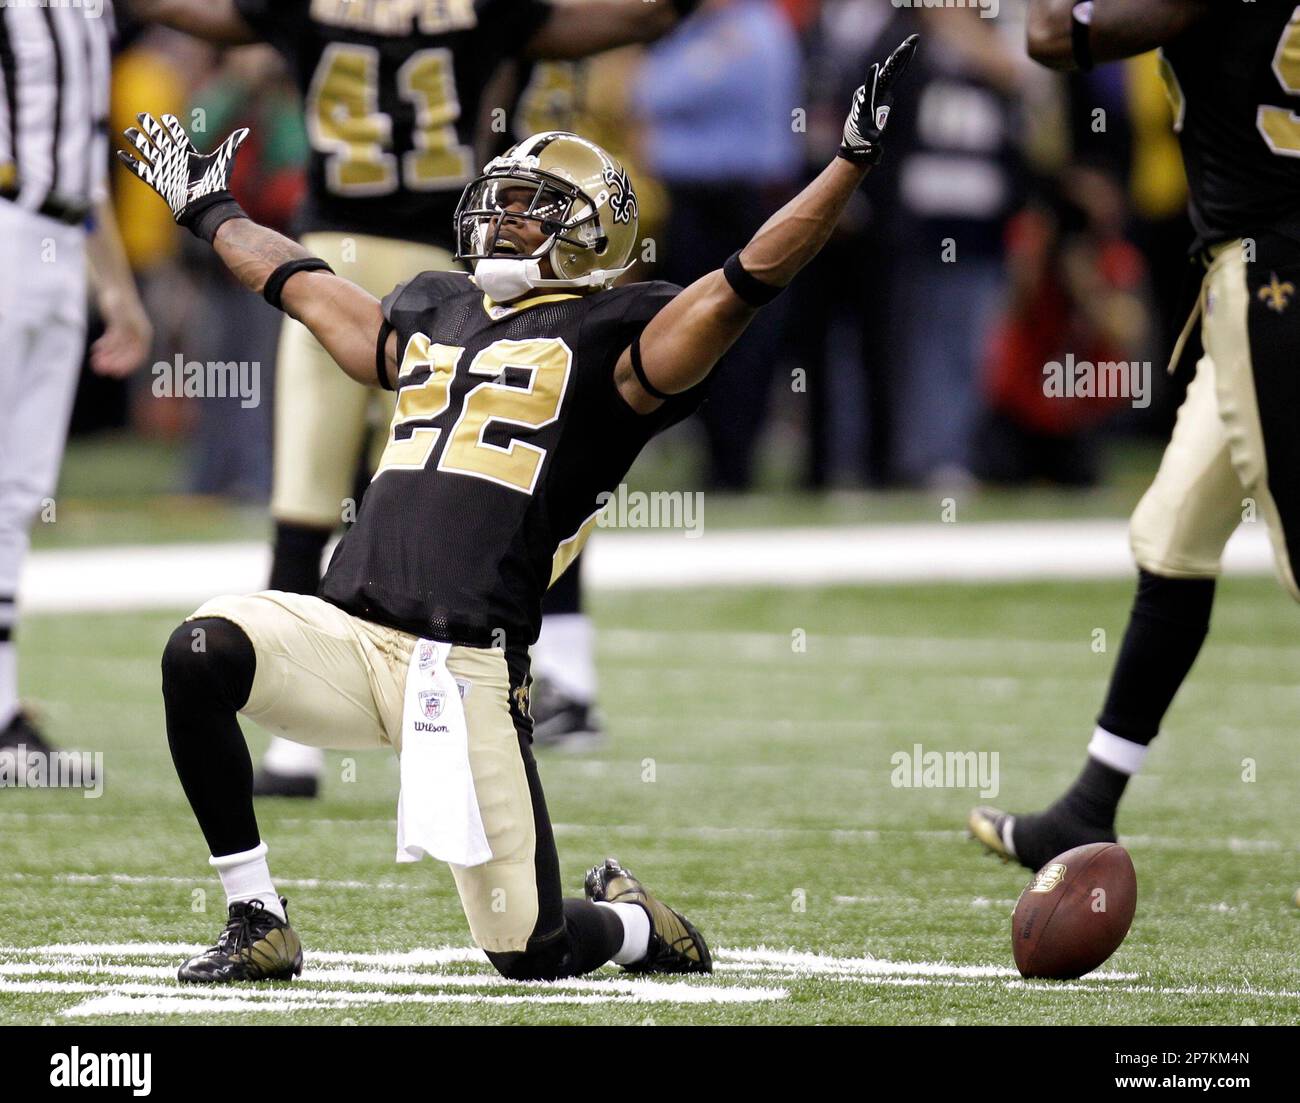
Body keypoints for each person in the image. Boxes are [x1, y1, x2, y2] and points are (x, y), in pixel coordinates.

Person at [120, 34, 920, 982]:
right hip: (347, 637)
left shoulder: (621, 337)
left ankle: (633, 927)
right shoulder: (433, 307)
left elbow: (748, 278)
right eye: (494, 203)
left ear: (592, 233)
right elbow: (308, 287)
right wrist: (210, 211)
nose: (498, 222)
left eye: (528, 210)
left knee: (528, 951)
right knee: (199, 652)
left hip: (468, 668)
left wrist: (847, 164)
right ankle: (257, 916)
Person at [131, 0, 705, 796]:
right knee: (460, 475)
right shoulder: (477, 14)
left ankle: (293, 746)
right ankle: (476, 705)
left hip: (328, 251)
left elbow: (199, 16)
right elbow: (641, 18)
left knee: (304, 502)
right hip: (444, 270)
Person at [969, 2, 1300, 878]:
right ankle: (1087, 810)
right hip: (1257, 263)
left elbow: (1051, 37)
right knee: (1175, 535)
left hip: (1274, 274)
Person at [0, 1, 151, 756]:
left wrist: (114, 287)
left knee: (19, 490)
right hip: (6, 227)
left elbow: (84, 164)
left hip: (60, 240)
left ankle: (1, 710)